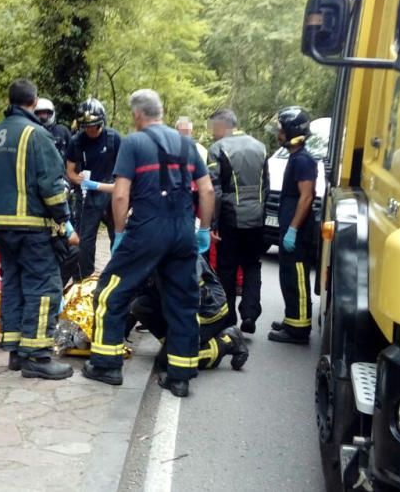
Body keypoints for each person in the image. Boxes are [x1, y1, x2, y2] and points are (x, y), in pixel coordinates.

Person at [82, 89, 215, 398]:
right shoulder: (187, 144)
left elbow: (120, 194)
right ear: (162, 111)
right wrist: (203, 229)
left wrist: (119, 234)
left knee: (109, 293)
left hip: (146, 231)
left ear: (137, 115)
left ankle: (106, 365)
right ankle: (179, 376)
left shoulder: (134, 143)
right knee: (183, 301)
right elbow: (207, 192)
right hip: (183, 230)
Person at [0, 79, 73, 379]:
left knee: (13, 284)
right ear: (33, 102)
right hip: (31, 225)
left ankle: (16, 351)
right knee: (44, 286)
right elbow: (51, 185)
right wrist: (63, 219)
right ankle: (37, 356)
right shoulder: (37, 135)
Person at [129, 255, 248, 372]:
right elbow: (139, 289)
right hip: (178, 311)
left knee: (169, 362)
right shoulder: (154, 252)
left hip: (207, 315)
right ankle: (172, 344)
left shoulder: (187, 256)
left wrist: (180, 338)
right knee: (140, 306)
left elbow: (192, 301)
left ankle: (228, 341)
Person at [207, 108, 268, 334]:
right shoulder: (260, 147)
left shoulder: (218, 148)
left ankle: (228, 317)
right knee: (252, 264)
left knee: (227, 268)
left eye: (213, 127)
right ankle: (250, 313)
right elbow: (266, 187)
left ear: (222, 126)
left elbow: (215, 190)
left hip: (230, 218)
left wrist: (213, 222)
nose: (212, 133)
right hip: (256, 218)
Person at [268, 107, 317, 345]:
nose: (278, 134)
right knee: (287, 275)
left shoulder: (304, 161)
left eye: (281, 129)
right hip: (289, 228)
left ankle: (299, 329)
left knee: (297, 276)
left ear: (291, 132)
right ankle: (292, 318)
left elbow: (306, 197)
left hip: (297, 231)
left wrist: (293, 229)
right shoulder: (296, 158)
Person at [65, 98, 123, 278]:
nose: (90, 130)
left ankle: (117, 276)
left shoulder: (114, 138)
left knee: (118, 235)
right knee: (85, 240)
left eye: (94, 126)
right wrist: (80, 180)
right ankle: (85, 278)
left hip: (111, 191)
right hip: (87, 194)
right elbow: (70, 172)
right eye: (86, 126)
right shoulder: (76, 142)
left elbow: (125, 173)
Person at [35, 98, 72, 164]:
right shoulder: (32, 131)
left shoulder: (62, 131)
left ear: (51, 113)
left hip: (61, 170)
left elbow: (72, 153)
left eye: (44, 113)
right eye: (39, 113)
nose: (42, 116)